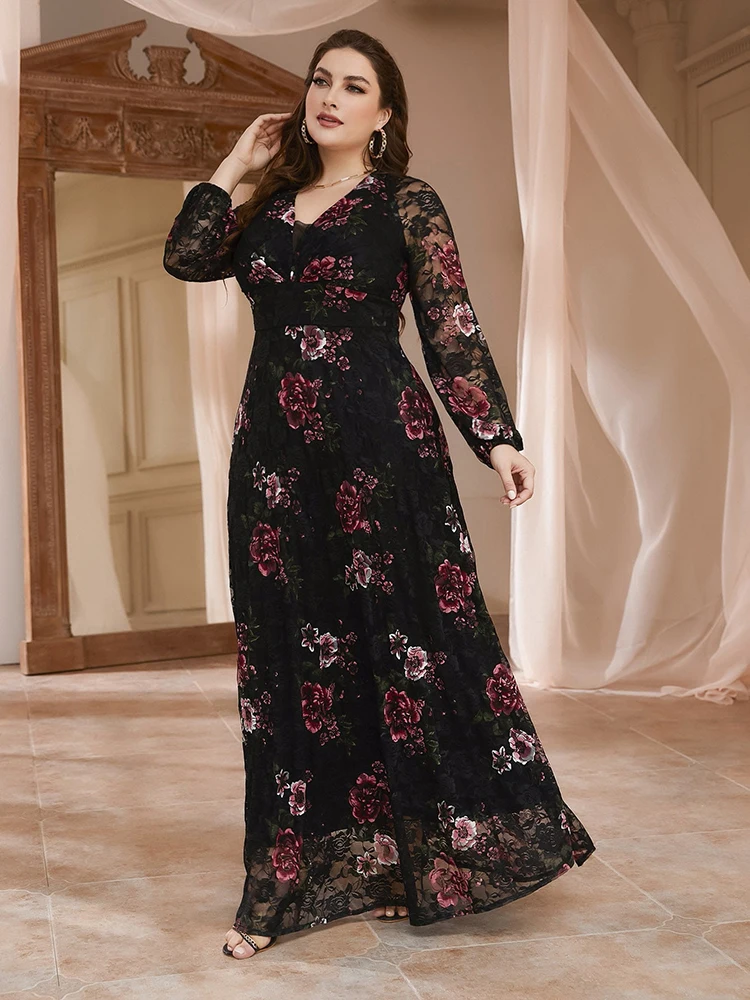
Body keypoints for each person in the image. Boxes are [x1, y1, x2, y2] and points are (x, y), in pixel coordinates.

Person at [163, 27, 595, 961]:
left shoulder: (405, 202)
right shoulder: (266, 210)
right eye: (321, 80)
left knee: (407, 648)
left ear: (384, 113)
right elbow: (187, 256)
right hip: (274, 464)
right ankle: (286, 880)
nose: (329, 97)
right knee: (289, 661)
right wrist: (237, 163)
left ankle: (422, 861)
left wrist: (498, 439)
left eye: (354, 86)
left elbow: (451, 327)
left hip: (382, 452)